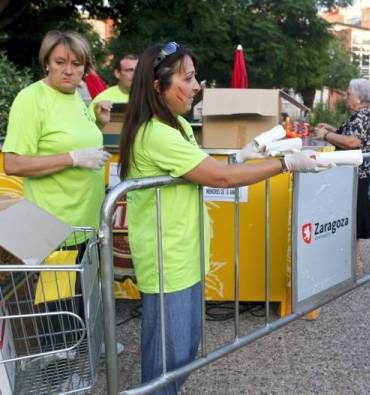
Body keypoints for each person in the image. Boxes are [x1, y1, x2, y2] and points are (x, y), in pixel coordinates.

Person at [118, 41, 332, 394]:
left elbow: (206, 170)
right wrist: (284, 164)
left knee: (185, 351)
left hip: (187, 254)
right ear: (158, 86)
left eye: (195, 77)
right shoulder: (154, 133)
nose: (197, 86)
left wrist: (243, 156)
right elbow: (217, 178)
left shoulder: (179, 127)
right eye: (187, 78)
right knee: (165, 364)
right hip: (166, 259)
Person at [2, 30, 113, 355]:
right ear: (46, 63)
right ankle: (60, 373)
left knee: (81, 300)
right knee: (58, 315)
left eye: (77, 64)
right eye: (61, 62)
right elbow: (13, 163)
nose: (69, 70)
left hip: (85, 222)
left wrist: (99, 125)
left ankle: (86, 353)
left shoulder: (78, 97)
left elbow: (73, 139)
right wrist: (72, 158)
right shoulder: (31, 99)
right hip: (53, 228)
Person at [312, 78, 370, 274]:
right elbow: (347, 133)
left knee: (353, 217)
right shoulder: (364, 114)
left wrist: (326, 136)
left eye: (349, 94)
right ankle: (350, 261)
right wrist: (331, 129)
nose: (346, 97)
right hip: (357, 173)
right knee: (352, 216)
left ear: (358, 97)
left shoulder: (361, 115)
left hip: (356, 173)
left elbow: (352, 141)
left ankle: (354, 263)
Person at [89, 54, 138, 120]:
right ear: (117, 73)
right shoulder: (101, 99)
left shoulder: (151, 97)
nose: (135, 74)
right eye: (129, 70)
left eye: (138, 70)